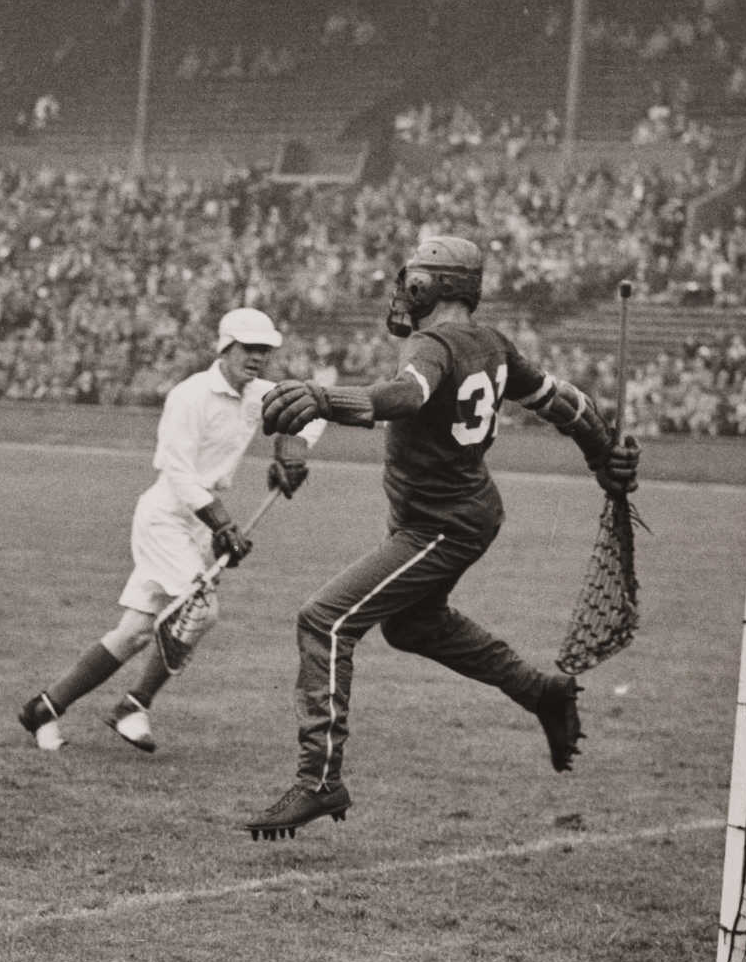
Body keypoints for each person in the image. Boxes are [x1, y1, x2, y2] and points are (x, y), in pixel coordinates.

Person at [244, 236, 640, 840]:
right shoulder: (492, 343)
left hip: (440, 525)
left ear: (432, 285)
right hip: (457, 515)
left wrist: (324, 398)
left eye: (411, 281)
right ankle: (542, 693)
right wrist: (603, 454)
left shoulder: (432, 344)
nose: (402, 292)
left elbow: (406, 395)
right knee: (412, 626)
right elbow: (568, 404)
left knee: (323, 620)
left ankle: (320, 778)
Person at [19, 308, 324, 753]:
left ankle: (43, 708)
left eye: (264, 350)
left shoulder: (260, 394)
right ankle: (133, 705)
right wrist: (221, 523)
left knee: (135, 632)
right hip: (166, 516)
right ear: (225, 348)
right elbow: (177, 472)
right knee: (201, 609)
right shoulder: (190, 395)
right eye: (248, 348)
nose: (257, 358)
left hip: (197, 525)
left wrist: (290, 452)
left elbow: (313, 410)